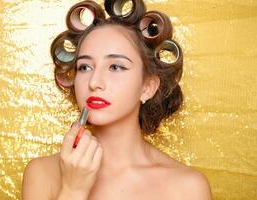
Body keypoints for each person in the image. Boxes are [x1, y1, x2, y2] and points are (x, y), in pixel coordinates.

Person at [22, 0, 213, 199]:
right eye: (85, 67)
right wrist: (73, 190)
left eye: (115, 67)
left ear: (147, 87)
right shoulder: (42, 174)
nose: (94, 82)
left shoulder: (188, 188)